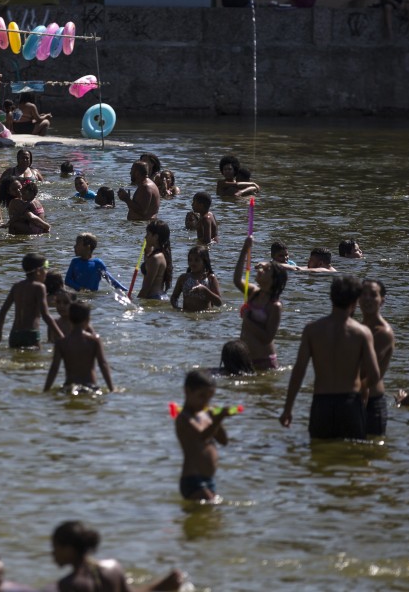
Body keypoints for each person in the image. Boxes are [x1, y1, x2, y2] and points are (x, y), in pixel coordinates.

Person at [280, 276, 381, 440]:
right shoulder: (361, 332)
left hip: (322, 403)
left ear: (331, 297)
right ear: (355, 301)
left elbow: (299, 371)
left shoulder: (312, 330)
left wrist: (288, 408)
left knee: (318, 456)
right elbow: (375, 375)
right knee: (354, 458)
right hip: (350, 403)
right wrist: (359, 386)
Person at [51, 520, 183, 592]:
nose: (52, 553)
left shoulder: (68, 584)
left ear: (68, 549)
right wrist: (160, 586)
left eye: (55, 548)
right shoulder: (113, 568)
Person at [175, 369, 231, 501]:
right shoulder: (184, 418)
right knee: (211, 508)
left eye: (209, 398)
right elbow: (202, 437)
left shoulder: (205, 416)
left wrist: (216, 419)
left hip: (209, 480)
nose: (206, 402)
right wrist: (219, 418)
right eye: (202, 396)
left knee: (210, 518)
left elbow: (223, 441)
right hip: (193, 480)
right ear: (187, 391)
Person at [234, 236, 287, 370]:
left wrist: (247, 319)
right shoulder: (253, 292)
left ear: (274, 279)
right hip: (246, 359)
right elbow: (236, 280)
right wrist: (245, 249)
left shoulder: (274, 305)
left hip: (264, 362)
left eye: (266, 270)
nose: (259, 270)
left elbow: (267, 338)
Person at [0, 253, 62, 349]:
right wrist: (62, 336)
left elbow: (3, 311)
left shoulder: (16, 286)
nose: (47, 271)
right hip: (31, 334)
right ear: (38, 271)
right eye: (45, 267)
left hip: (14, 335)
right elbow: (46, 315)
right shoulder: (40, 287)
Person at [44, 301, 114, 394]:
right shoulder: (94, 340)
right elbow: (103, 364)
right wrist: (111, 389)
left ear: (69, 318)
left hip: (69, 387)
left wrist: (46, 390)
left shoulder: (61, 342)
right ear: (88, 320)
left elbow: (54, 368)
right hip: (90, 386)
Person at [359, 279, 395, 436]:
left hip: (371, 403)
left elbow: (365, 372)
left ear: (382, 300)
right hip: (355, 398)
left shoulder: (383, 333)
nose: (367, 298)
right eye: (363, 294)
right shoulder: (359, 327)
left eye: (373, 295)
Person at [170, 245, 222, 312]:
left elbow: (219, 303)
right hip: (186, 316)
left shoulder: (210, 278)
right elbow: (174, 297)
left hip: (205, 317)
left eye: (196, 260)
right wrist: (176, 308)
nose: (192, 263)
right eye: (190, 260)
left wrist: (204, 290)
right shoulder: (183, 278)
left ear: (204, 262)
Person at [139, 219, 173, 300]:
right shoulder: (159, 254)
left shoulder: (156, 258)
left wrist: (136, 301)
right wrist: (147, 250)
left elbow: (146, 287)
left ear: (156, 237)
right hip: (157, 296)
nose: (145, 237)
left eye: (148, 234)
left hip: (155, 297)